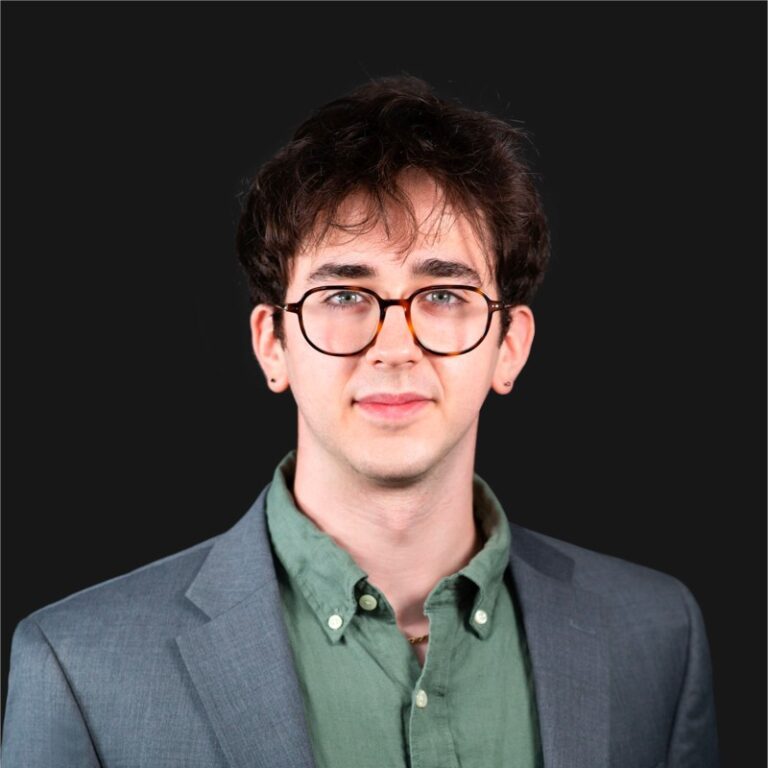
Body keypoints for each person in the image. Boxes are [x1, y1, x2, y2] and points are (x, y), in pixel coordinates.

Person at [2, 76, 719, 768]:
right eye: (344, 296)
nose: (395, 347)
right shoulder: (79, 668)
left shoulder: (658, 637)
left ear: (510, 347)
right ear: (272, 345)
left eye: (443, 294)